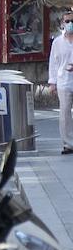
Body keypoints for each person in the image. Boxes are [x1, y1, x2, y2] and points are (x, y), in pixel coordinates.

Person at [49, 10, 73, 155]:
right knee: (64, 113)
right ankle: (68, 144)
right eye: (67, 21)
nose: (70, 24)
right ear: (63, 23)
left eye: (72, 21)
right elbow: (53, 62)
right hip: (64, 81)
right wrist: (52, 82)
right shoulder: (58, 42)